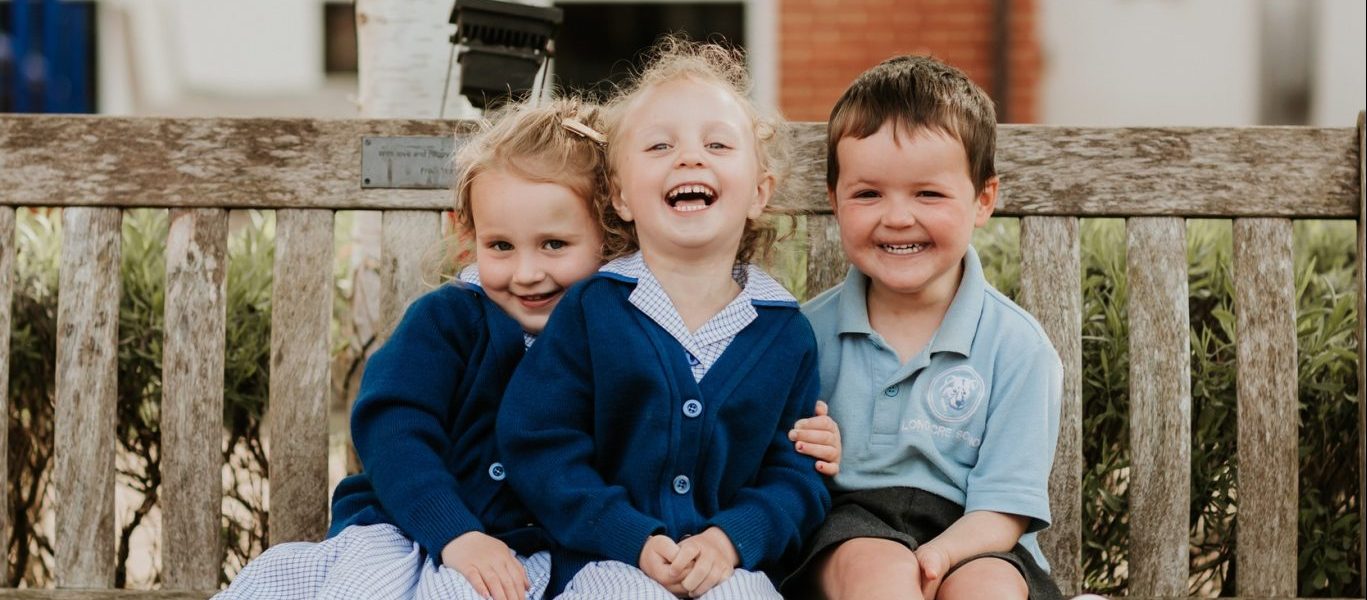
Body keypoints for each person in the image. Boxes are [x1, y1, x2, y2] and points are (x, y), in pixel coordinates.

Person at [214, 96, 841, 600]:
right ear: (470, 239)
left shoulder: (615, 325)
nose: (526, 273)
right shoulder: (450, 319)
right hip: (408, 528)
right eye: (501, 246)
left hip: (536, 554)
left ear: (609, 237)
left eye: (554, 245)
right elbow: (394, 428)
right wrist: (454, 534)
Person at [496, 38, 830, 600]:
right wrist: (630, 535)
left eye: (718, 143)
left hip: (730, 569)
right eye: (659, 146)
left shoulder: (784, 333)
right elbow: (539, 444)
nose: (690, 157)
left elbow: (796, 476)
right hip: (608, 560)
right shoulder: (593, 310)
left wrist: (732, 538)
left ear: (759, 192)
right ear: (622, 196)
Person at [784, 55, 1064, 600]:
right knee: (881, 572)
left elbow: (1003, 509)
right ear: (834, 202)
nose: (896, 217)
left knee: (989, 588)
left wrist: (939, 556)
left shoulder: (1018, 347)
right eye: (868, 194)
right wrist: (805, 448)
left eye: (928, 194)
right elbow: (768, 466)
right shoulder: (802, 337)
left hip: (979, 533)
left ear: (983, 201)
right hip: (849, 526)